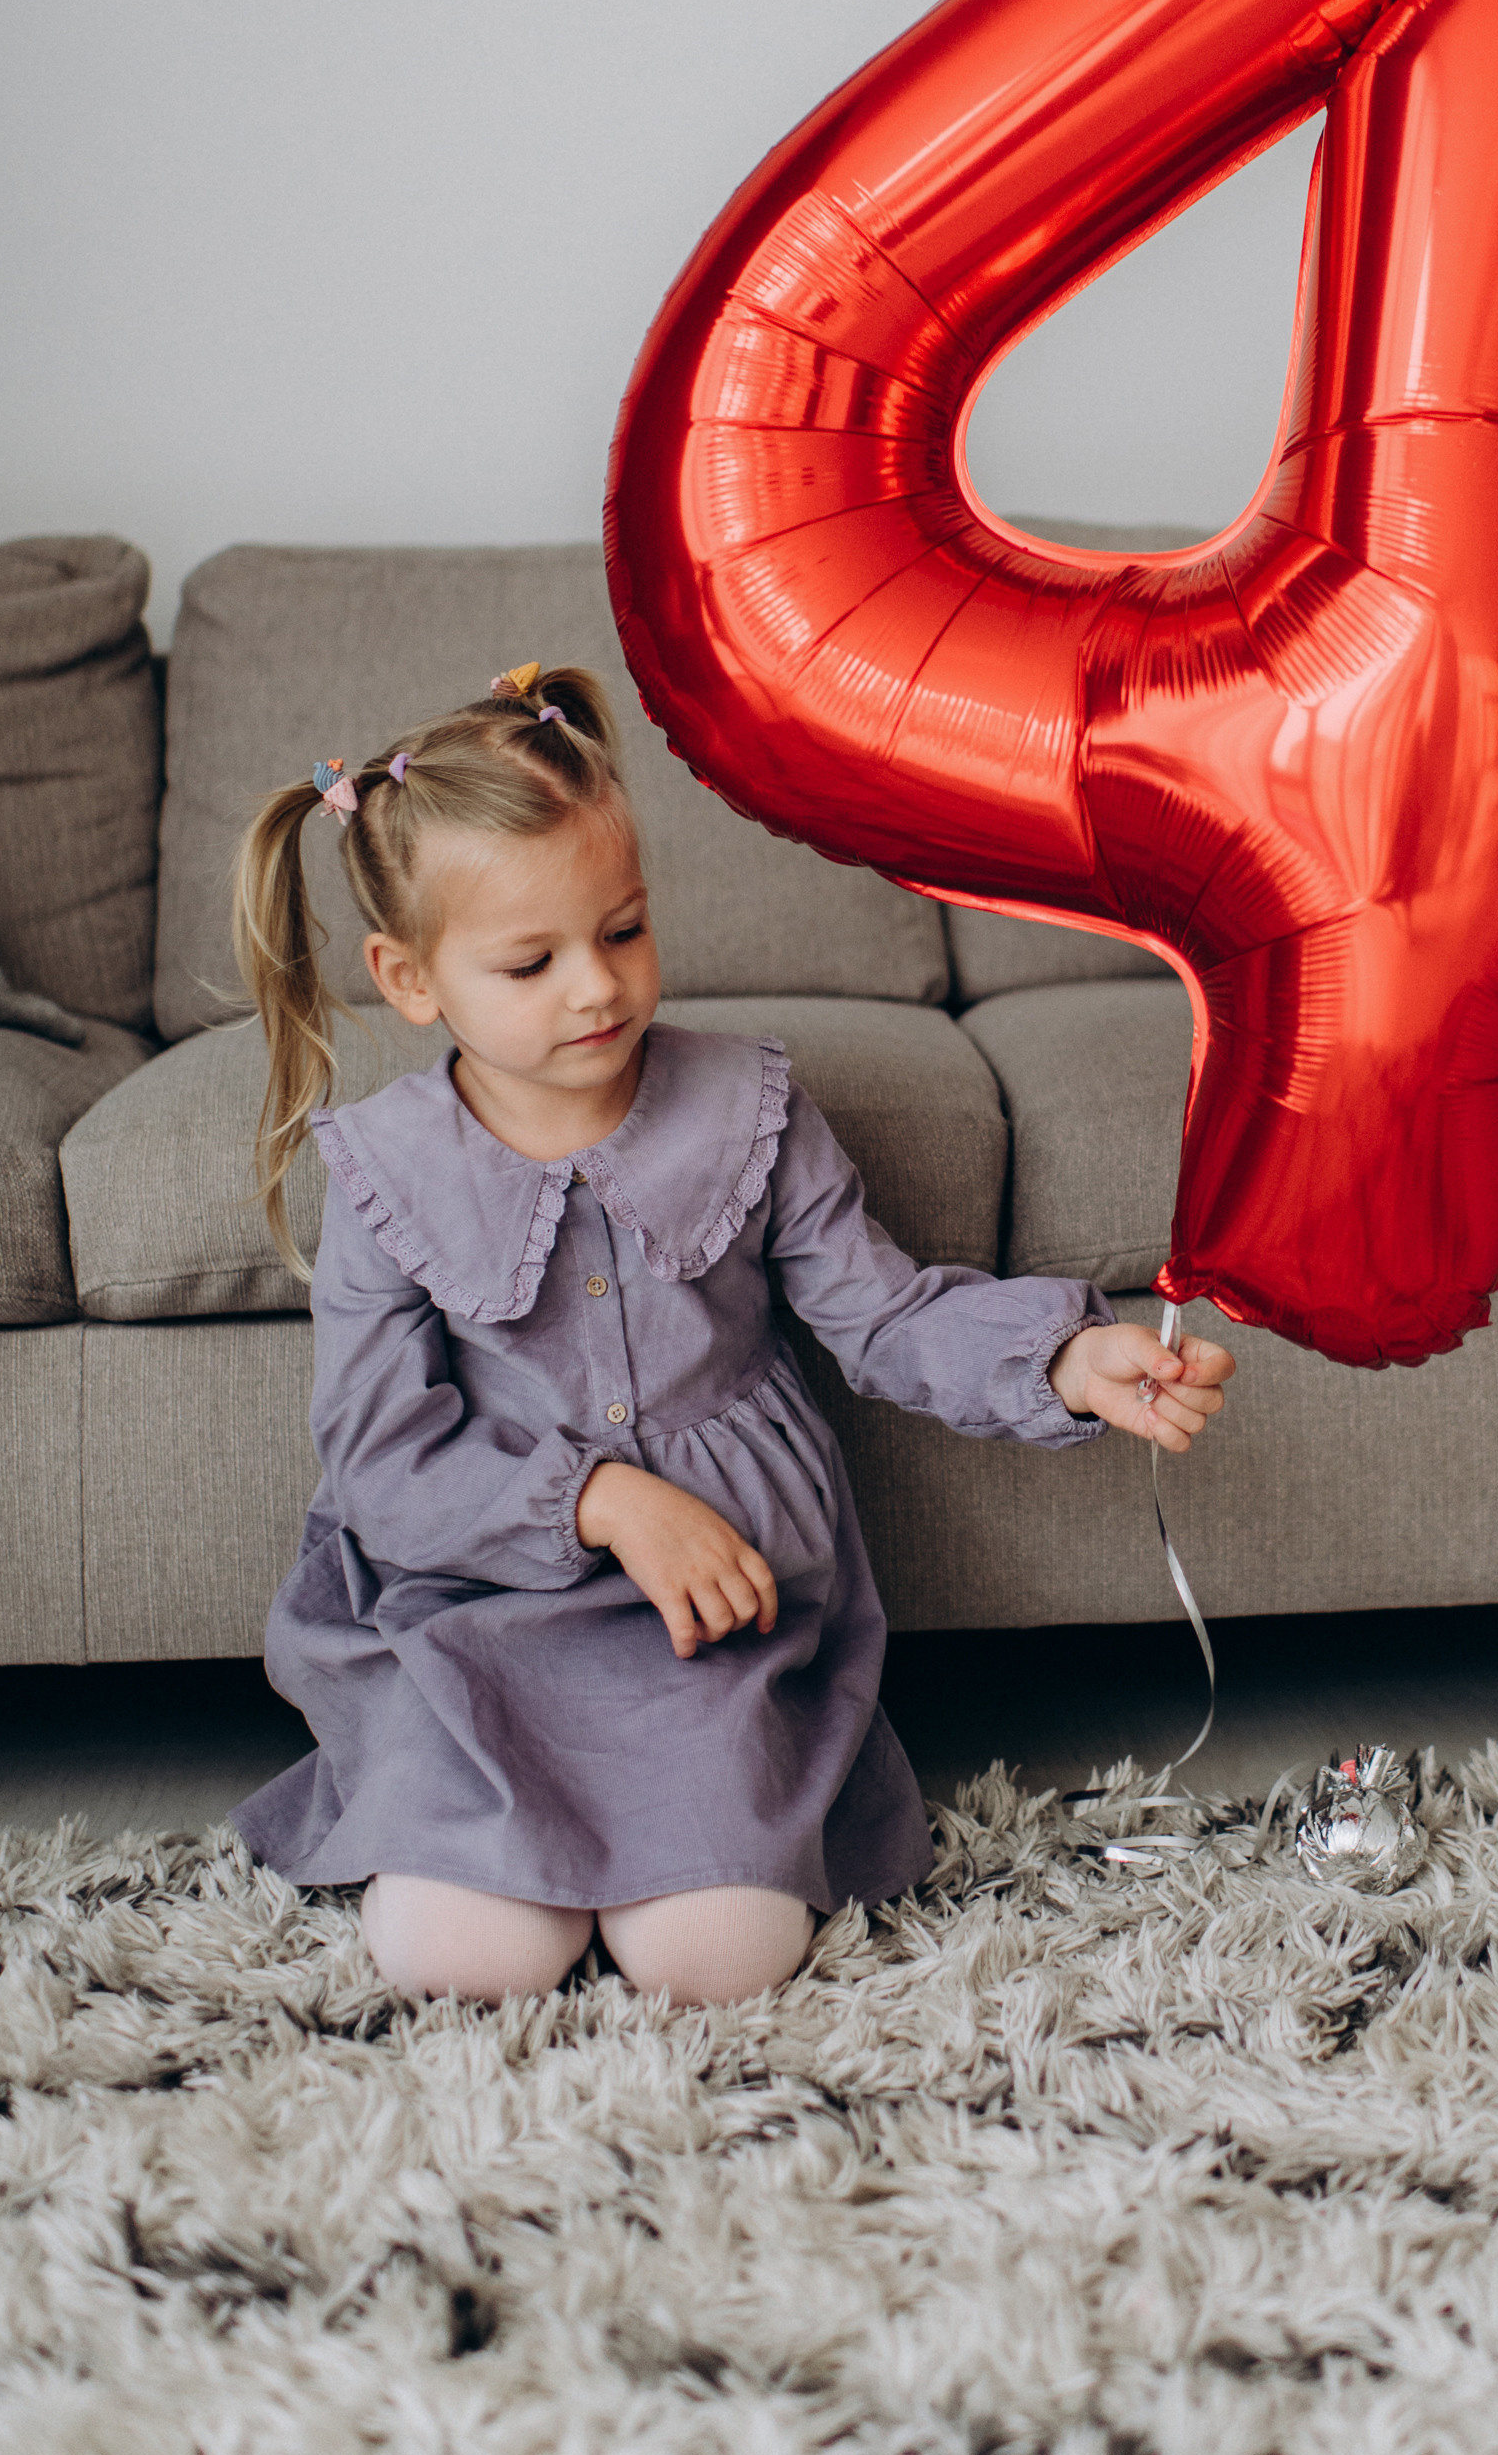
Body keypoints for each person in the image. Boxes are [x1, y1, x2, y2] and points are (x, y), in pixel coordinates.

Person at [226, 660, 1233, 2011]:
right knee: (459, 1965)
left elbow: (878, 1315)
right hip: (475, 1617)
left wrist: (1059, 1357)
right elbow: (380, 1464)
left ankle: (663, 1844)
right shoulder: (380, 1172)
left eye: (624, 932)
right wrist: (600, 1500)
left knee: (718, 1963)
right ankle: (503, 1850)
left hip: (716, 1624)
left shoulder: (746, 1107)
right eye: (529, 962)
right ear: (410, 980)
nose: (595, 988)